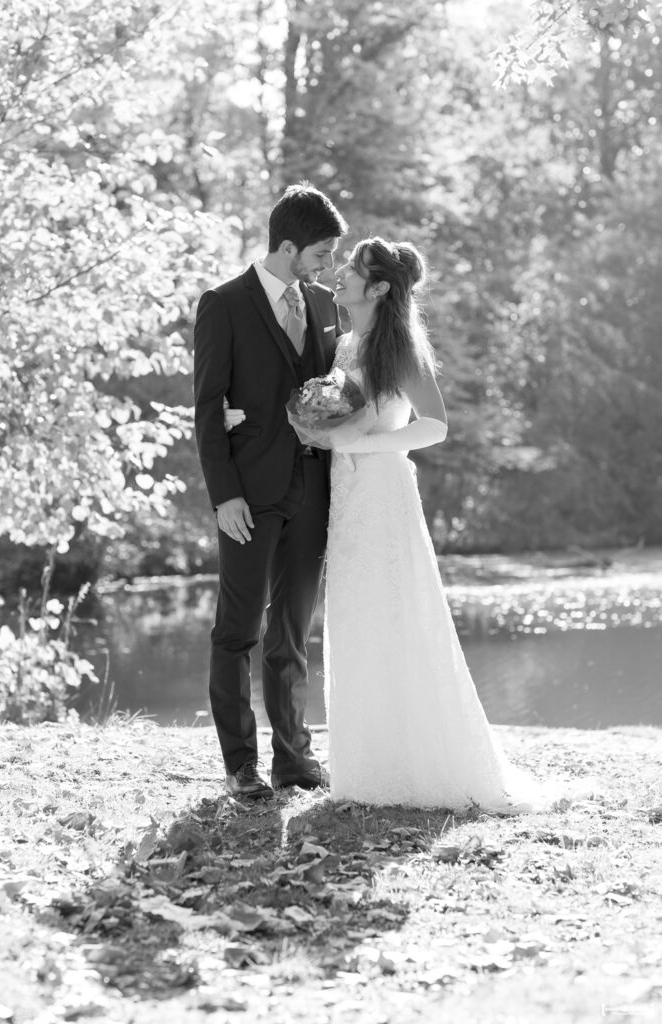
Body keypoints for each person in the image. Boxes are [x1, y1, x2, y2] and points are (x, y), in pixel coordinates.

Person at [320, 236, 579, 812]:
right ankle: (364, 770)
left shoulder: (399, 348)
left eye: (353, 268)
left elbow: (434, 425)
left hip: (382, 490)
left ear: (378, 287)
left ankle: (419, 768)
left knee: (396, 614)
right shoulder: (343, 344)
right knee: (355, 615)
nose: (340, 273)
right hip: (346, 492)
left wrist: (365, 442)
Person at [193, 183, 347, 799]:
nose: (329, 265)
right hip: (249, 496)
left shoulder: (326, 304)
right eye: (321, 253)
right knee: (238, 630)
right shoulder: (224, 304)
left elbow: (335, 384)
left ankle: (294, 760)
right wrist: (224, 494)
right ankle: (240, 767)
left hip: (312, 488)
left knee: (292, 632)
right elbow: (208, 408)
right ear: (288, 247)